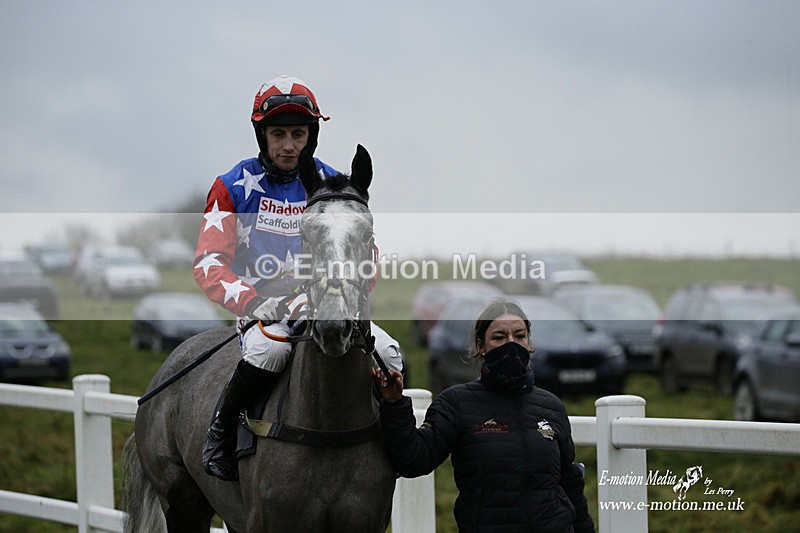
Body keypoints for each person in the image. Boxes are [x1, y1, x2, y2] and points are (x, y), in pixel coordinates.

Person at [194, 75, 403, 481]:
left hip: (328, 302)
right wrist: (252, 301)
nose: (289, 145)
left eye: (298, 134)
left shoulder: (334, 185)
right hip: (263, 308)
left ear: (312, 136)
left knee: (391, 354)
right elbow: (208, 262)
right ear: (262, 135)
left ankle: (391, 444)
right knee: (269, 352)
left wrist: (348, 293)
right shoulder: (231, 187)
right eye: (278, 134)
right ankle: (220, 433)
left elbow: (366, 253)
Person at [375, 297, 595, 532]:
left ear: (530, 342)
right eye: (499, 337)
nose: (512, 344)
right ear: (481, 346)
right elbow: (413, 460)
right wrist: (394, 404)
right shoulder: (456, 402)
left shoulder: (551, 406)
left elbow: (570, 483)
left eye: (519, 336)